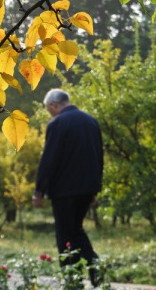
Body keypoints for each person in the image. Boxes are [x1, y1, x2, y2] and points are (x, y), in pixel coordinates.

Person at [32, 88, 103, 287]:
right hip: (87, 188)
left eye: (48, 109)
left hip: (64, 191)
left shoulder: (58, 123)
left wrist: (39, 190)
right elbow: (99, 156)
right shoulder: (91, 121)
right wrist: (94, 188)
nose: (49, 113)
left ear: (54, 105)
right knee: (76, 230)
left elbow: (49, 158)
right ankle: (93, 268)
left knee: (65, 236)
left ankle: (73, 279)